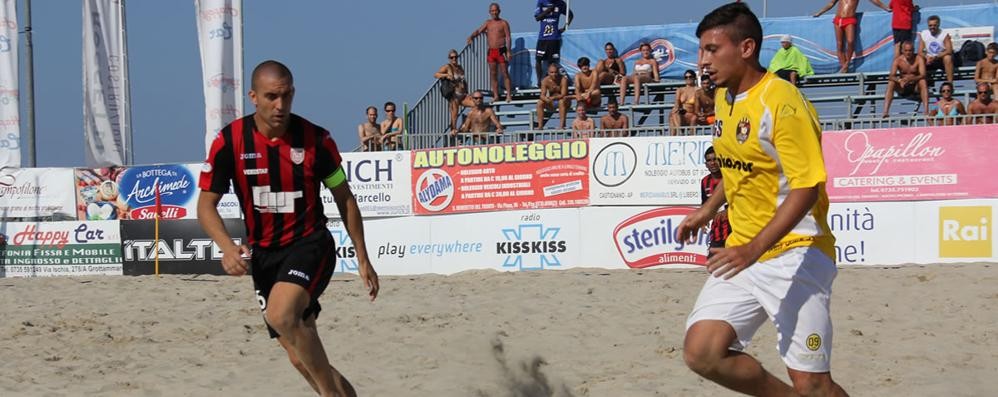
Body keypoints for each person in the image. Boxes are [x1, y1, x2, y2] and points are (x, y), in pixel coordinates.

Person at [679, 3, 846, 396]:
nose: (703, 60)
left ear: (746, 48)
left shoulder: (783, 102)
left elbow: (806, 187)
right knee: (702, 353)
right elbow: (742, 166)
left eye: (712, 49)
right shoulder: (725, 97)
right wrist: (708, 209)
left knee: (814, 384)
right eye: (701, 50)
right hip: (745, 252)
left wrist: (754, 248)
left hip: (796, 253)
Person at [197, 60, 379, 397]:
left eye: (287, 96)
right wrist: (225, 247)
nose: (280, 106)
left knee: (282, 315)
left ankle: (329, 395)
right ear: (253, 96)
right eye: (271, 97)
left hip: (310, 245)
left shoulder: (316, 140)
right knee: (299, 356)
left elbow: (345, 196)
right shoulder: (230, 142)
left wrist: (363, 257)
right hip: (264, 256)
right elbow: (205, 205)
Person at [814, 0, 891, 73]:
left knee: (850, 41)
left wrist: (886, 8)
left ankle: (847, 63)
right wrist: (819, 13)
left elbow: (874, 0)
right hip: (838, 19)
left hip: (849, 20)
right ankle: (844, 66)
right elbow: (831, 3)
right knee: (840, 44)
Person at [468, 3, 513, 102]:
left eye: (496, 10)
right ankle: (496, 95)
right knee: (493, 74)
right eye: (492, 11)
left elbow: (508, 37)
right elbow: (479, 31)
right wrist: (471, 36)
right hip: (491, 51)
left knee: (505, 72)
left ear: (499, 11)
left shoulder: (503, 23)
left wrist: (509, 51)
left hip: (501, 50)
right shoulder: (488, 23)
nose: (494, 12)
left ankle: (509, 95)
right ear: (489, 12)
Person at [883, 41, 929, 117]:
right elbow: (891, 76)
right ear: (902, 51)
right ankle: (885, 112)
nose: (908, 53)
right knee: (891, 82)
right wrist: (899, 80)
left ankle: (926, 111)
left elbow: (923, 74)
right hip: (903, 86)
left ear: (913, 50)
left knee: (923, 81)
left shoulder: (918, 59)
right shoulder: (898, 60)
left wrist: (912, 79)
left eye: (910, 50)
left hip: (915, 86)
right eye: (906, 50)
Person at [534, 0, 573, 87]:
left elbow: (570, 15)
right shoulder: (541, 1)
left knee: (552, 62)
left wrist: (564, 28)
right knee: (538, 60)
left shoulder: (560, 3)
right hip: (543, 38)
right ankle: (539, 81)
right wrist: (547, 11)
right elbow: (537, 18)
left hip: (554, 38)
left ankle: (552, 81)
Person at [434, 49, 475, 133]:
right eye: (452, 57)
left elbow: (463, 80)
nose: (454, 59)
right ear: (449, 58)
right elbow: (436, 74)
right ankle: (453, 130)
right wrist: (446, 75)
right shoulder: (447, 67)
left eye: (456, 57)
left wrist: (467, 92)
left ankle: (465, 124)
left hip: (463, 94)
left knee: (475, 105)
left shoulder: (460, 68)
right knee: (454, 114)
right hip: (454, 95)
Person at [700, 147, 730, 254]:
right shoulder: (705, 181)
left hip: (735, 229)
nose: (712, 163)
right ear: (706, 164)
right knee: (713, 264)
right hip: (718, 229)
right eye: (709, 160)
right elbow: (705, 203)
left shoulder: (730, 178)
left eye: (715, 159)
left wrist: (727, 212)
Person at [918, 15, 954, 83]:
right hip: (929, 60)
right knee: (919, 58)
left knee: (947, 58)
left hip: (941, 59)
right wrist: (926, 57)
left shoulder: (944, 34)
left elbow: (949, 50)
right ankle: (922, 84)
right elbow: (920, 51)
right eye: (930, 25)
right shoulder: (924, 34)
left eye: (934, 25)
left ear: (938, 25)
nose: (932, 27)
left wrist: (936, 57)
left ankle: (950, 83)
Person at [536, 63, 570, 130]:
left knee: (561, 101)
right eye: (552, 72)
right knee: (540, 102)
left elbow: (563, 94)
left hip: (564, 101)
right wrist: (546, 99)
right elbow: (542, 95)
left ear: (558, 72)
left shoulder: (563, 79)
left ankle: (561, 125)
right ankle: (540, 126)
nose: (554, 74)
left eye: (555, 72)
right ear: (548, 72)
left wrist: (553, 98)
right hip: (552, 101)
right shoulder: (545, 81)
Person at [670, 69, 700, 133]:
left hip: (692, 114)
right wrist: (677, 107)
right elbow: (677, 101)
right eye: (686, 77)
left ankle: (689, 135)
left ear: (694, 78)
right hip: (682, 114)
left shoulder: (698, 90)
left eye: (690, 77)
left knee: (693, 117)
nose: (688, 78)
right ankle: (679, 133)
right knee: (673, 112)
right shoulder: (680, 90)